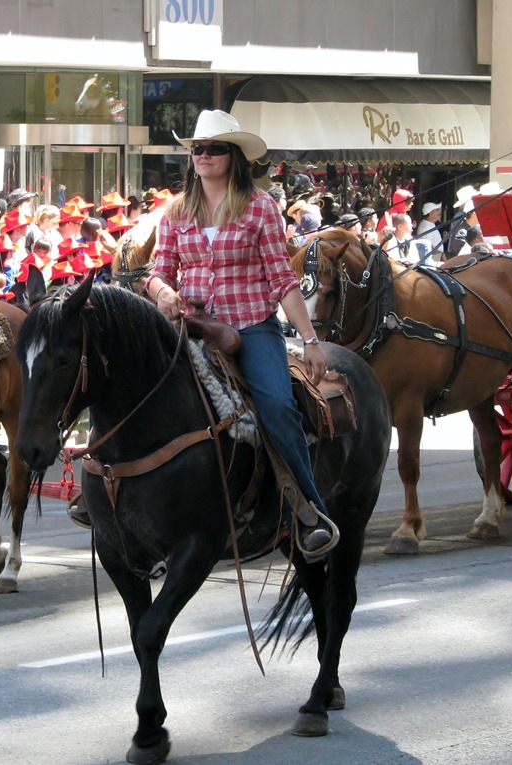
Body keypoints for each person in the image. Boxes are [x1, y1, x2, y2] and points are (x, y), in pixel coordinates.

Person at [142, 109, 339, 559]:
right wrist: (163, 292)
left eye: (212, 149)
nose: (202, 155)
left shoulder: (260, 207)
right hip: (188, 327)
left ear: (233, 156)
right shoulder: (175, 212)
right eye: (197, 148)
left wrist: (309, 339)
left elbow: (282, 280)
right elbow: (157, 273)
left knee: (277, 407)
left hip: (248, 326)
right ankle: (116, 491)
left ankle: (307, 510)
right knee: (141, 393)